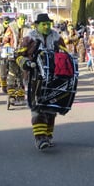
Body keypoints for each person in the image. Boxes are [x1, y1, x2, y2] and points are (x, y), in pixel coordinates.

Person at [15, 13, 70, 150]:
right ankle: (40, 138)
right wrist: (26, 63)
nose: (46, 26)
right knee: (37, 107)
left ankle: (48, 136)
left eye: (48, 24)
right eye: (43, 24)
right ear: (37, 25)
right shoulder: (30, 37)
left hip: (54, 77)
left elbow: (65, 54)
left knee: (52, 107)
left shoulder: (57, 37)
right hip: (34, 77)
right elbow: (19, 55)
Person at [3, 13, 31, 104]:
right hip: (13, 53)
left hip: (23, 55)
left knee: (22, 75)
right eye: (21, 19)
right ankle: (11, 95)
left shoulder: (28, 29)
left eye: (24, 19)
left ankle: (20, 95)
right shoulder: (11, 28)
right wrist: (8, 48)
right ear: (17, 19)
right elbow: (5, 40)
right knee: (12, 73)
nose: (23, 21)